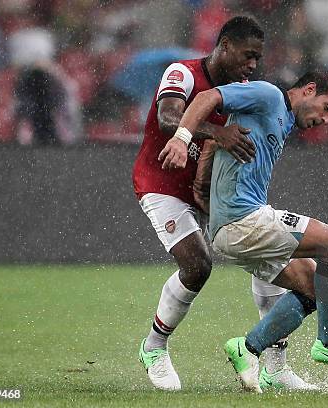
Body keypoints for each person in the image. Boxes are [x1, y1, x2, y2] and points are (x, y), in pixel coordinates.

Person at [133, 16, 313, 391]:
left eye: (257, 59)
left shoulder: (244, 89)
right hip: (162, 184)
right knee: (198, 265)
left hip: (212, 193)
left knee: (265, 255)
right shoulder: (182, 73)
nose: (252, 65)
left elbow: (234, 142)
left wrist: (210, 167)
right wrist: (217, 132)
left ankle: (276, 367)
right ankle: (154, 346)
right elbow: (169, 118)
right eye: (247, 56)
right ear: (224, 45)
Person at [161, 70, 328, 393]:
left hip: (235, 229)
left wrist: (203, 185)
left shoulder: (284, 121)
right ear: (308, 90)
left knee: (313, 287)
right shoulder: (270, 96)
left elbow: (219, 138)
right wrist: (181, 139)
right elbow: (208, 98)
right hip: (244, 221)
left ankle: (247, 349)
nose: (326, 119)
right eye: (327, 108)